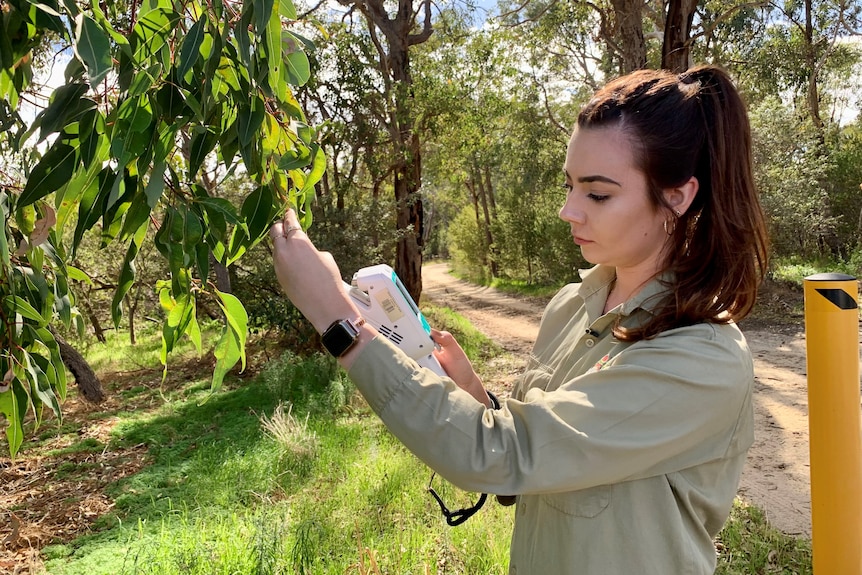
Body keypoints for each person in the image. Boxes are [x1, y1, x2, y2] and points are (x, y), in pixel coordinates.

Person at [270, 64, 769, 575]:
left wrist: (338, 319)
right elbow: (531, 467)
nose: (568, 210)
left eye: (597, 193)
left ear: (677, 197)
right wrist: (477, 398)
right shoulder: (571, 306)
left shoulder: (701, 357)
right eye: (570, 185)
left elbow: (503, 454)